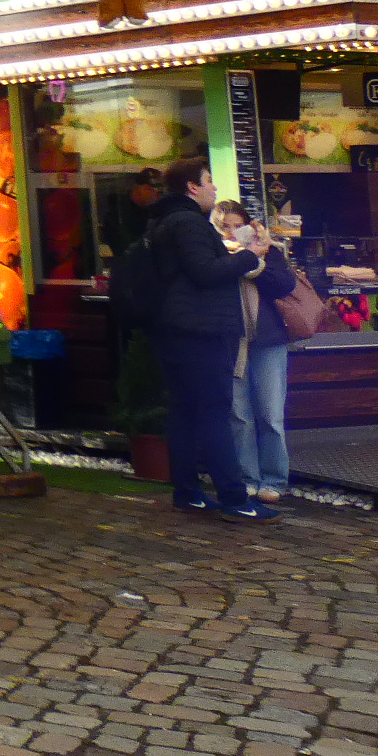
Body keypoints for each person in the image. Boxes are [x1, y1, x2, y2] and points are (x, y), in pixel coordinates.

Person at [146, 160, 280, 521]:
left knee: (185, 412)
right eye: (209, 181)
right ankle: (235, 500)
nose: (214, 188)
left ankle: (188, 493)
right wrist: (251, 255)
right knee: (213, 413)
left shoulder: (163, 221)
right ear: (192, 187)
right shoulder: (188, 222)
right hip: (200, 331)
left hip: (177, 330)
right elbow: (205, 272)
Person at [215, 199, 300, 505]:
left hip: (267, 340)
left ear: (249, 227)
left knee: (270, 414)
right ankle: (247, 478)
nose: (231, 232)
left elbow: (283, 285)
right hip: (230, 340)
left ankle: (274, 479)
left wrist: (255, 259)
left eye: (237, 226)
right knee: (239, 414)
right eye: (224, 227)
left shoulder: (267, 251)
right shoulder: (212, 255)